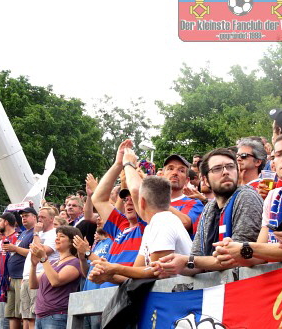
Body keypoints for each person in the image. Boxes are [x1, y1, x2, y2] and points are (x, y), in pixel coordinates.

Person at [154, 147, 263, 276]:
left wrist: (187, 261)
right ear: (205, 180)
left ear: (238, 172)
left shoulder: (246, 196)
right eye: (217, 169)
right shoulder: (208, 209)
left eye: (230, 167)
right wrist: (169, 266)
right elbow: (196, 261)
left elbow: (236, 258)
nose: (225, 172)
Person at [213, 133, 282, 266]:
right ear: (273, 164)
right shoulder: (272, 196)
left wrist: (247, 248)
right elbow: (260, 255)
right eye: (278, 154)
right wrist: (231, 252)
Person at [90, 174, 192, 283]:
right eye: (125, 200)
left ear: (142, 202)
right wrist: (109, 276)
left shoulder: (162, 221)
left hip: (182, 296)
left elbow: (157, 271)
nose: (129, 203)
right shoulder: (151, 227)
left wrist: (115, 268)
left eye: (133, 200)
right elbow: (136, 273)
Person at [90, 140, 147, 287]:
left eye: (132, 198)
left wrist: (130, 166)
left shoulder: (149, 226)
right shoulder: (121, 225)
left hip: (130, 299)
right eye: (125, 199)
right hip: (108, 298)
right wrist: (117, 164)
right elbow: (98, 199)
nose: (128, 202)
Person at [29, 226, 83, 329]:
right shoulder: (53, 263)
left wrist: (44, 259)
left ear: (72, 242)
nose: (57, 239)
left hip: (57, 315)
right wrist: (33, 265)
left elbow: (56, 281)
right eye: (56, 236)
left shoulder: (75, 262)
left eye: (62, 236)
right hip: (40, 315)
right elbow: (33, 284)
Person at [21, 207, 58, 329]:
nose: (40, 220)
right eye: (39, 217)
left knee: (34, 316)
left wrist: (36, 233)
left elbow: (39, 252)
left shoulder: (54, 234)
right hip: (28, 277)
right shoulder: (40, 234)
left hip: (40, 277)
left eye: (43, 217)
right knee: (26, 317)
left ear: (51, 219)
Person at [4, 207, 36, 329]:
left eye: (26, 216)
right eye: (22, 216)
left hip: (22, 276)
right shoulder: (23, 233)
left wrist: (15, 248)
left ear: (34, 217)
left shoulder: (35, 233)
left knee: (24, 313)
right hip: (13, 276)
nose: (24, 218)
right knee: (12, 313)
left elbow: (33, 252)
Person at [163, 154, 204, 235]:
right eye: (170, 169)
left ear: (187, 180)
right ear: (162, 176)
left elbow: (184, 223)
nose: (175, 173)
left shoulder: (195, 204)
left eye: (181, 171)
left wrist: (155, 201)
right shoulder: (147, 202)